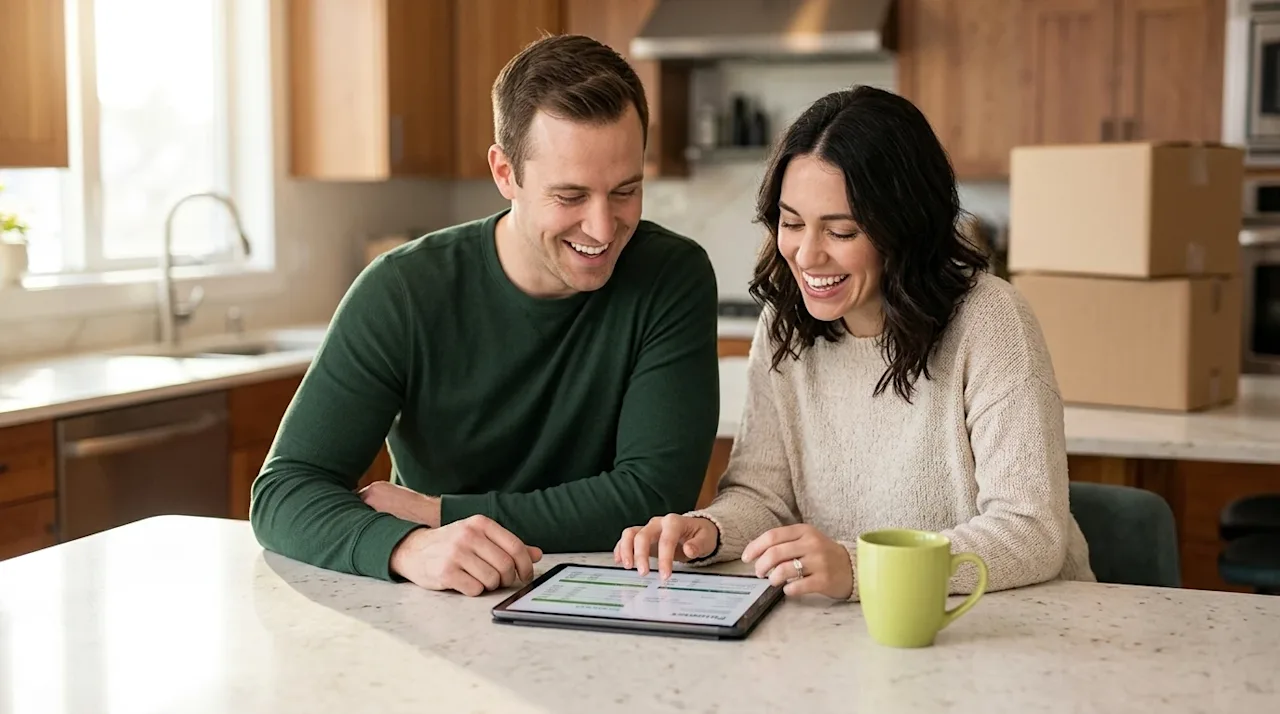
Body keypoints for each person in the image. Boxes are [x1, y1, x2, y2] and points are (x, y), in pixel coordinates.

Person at [251, 34, 720, 597]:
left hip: (611, 599)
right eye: (570, 196)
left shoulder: (671, 276)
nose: (602, 227)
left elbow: (652, 496)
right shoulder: (403, 291)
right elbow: (284, 491)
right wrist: (407, 547)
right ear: (504, 173)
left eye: (625, 190)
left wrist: (436, 513)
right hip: (437, 605)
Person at [614, 85, 1095, 600]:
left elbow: (1030, 531)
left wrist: (861, 567)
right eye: (792, 223)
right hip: (860, 630)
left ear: (903, 229)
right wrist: (709, 531)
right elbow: (763, 495)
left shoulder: (992, 319)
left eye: (840, 232)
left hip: (1014, 624)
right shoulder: (784, 323)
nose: (806, 255)